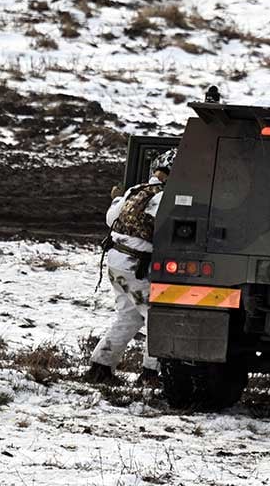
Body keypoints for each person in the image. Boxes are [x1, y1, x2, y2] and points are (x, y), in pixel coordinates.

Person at [83, 149, 176, 386]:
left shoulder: (136, 190)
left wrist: (118, 198)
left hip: (116, 261)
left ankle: (100, 368)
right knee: (156, 318)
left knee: (129, 317)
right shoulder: (165, 197)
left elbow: (110, 218)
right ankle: (150, 375)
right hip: (136, 266)